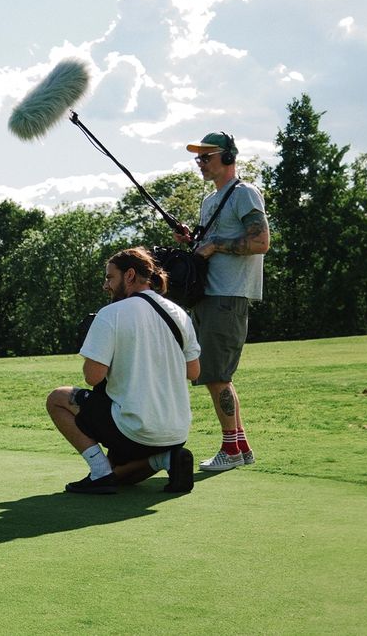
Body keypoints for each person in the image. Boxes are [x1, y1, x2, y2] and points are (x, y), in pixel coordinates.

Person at [46, 248, 201, 494]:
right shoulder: (180, 314)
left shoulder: (110, 314)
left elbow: (92, 376)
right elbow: (193, 372)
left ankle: (99, 472)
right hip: (176, 433)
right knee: (121, 475)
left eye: (110, 278)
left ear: (129, 275)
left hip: (134, 432)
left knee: (57, 398)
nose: (105, 285)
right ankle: (166, 460)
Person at [180, 132, 270, 472]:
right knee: (218, 376)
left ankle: (230, 451)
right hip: (207, 295)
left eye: (207, 157)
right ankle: (241, 447)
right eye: (198, 158)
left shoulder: (244, 194)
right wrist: (195, 240)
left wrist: (215, 244)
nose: (201, 164)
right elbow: (209, 245)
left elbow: (260, 241)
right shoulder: (209, 201)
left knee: (216, 375)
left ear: (228, 157)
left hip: (228, 297)